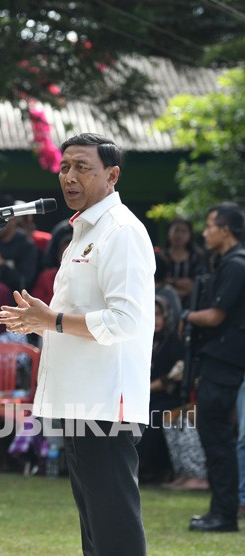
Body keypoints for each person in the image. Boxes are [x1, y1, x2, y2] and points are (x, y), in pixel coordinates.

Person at [0, 133, 154, 554]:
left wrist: (52, 319)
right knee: (95, 529)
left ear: (112, 175)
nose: (69, 176)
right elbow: (79, 316)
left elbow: (125, 321)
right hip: (79, 400)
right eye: (64, 167)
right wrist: (40, 322)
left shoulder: (121, 232)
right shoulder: (83, 231)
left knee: (114, 525)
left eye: (82, 167)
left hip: (105, 400)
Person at [181, 202, 245, 532]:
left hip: (224, 362)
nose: (205, 232)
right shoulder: (225, 264)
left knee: (217, 438)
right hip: (219, 360)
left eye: (210, 225)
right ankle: (220, 511)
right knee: (215, 438)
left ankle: (223, 515)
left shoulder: (236, 265)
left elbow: (216, 316)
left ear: (227, 230)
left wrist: (185, 316)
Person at [136, 296, 184, 484]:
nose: (155, 319)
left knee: (152, 417)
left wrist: (143, 389)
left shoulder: (174, 341)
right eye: (150, 314)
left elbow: (173, 376)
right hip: (145, 396)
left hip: (168, 396)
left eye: (158, 314)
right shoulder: (141, 340)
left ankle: (151, 469)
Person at [162, 216, 207, 304]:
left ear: (190, 234)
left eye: (184, 231)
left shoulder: (197, 258)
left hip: (192, 304)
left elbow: (194, 285)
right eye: (176, 230)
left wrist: (172, 282)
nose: (179, 235)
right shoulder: (162, 257)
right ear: (169, 232)